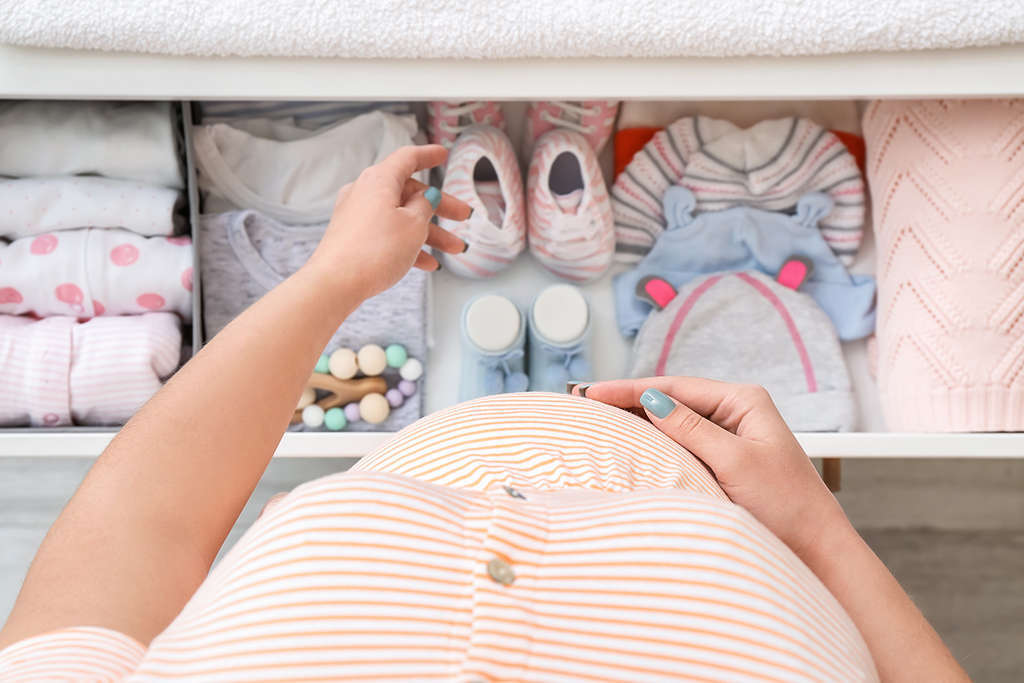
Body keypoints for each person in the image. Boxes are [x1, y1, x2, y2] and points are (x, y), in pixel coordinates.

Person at [0, 145, 966, 682]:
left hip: (443, 460)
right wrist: (813, 528)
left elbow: (143, 532)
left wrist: (337, 276)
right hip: (722, 500)